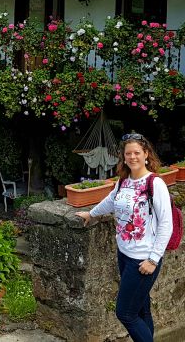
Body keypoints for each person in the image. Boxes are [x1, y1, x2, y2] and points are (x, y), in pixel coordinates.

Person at [75, 132, 172, 342]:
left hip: (143, 260)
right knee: (141, 311)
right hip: (125, 255)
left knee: (125, 313)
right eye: (128, 153)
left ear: (146, 154)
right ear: (124, 156)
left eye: (137, 152)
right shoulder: (124, 181)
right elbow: (111, 200)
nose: (133, 157)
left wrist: (153, 259)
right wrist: (91, 214)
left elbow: (166, 224)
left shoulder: (155, 184)